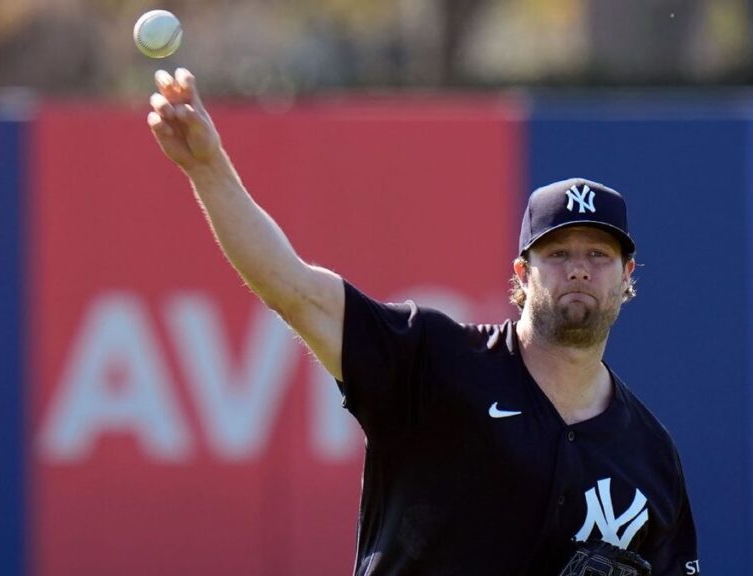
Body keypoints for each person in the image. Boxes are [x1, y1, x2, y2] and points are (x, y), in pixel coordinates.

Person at [146, 68, 700, 576]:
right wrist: (208, 167)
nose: (578, 269)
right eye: (558, 254)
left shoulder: (650, 455)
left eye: (598, 256)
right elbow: (294, 290)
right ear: (522, 273)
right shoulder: (435, 361)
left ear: (628, 275)